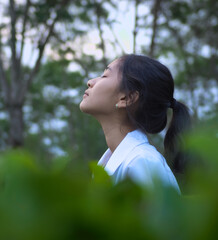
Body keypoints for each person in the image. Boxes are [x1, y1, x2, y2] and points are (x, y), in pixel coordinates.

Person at [80, 54, 191, 193]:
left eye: (105, 76)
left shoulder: (142, 162)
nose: (90, 82)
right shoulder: (113, 163)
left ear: (127, 98)